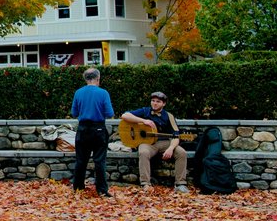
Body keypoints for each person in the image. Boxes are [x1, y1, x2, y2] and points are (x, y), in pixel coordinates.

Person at [121, 91, 189, 193]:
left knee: (181, 153)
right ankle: (145, 184)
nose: (154, 103)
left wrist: (170, 149)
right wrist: (144, 121)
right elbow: (125, 116)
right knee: (143, 152)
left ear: (163, 104)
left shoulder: (169, 116)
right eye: (153, 101)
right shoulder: (145, 111)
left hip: (165, 142)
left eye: (158, 101)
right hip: (147, 143)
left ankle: (180, 184)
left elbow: (176, 136)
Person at [71, 67, 114, 197]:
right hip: (98, 129)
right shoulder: (103, 93)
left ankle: (78, 187)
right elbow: (109, 113)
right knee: (99, 160)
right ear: (98, 78)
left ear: (85, 79)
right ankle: (101, 190)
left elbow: (74, 113)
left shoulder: (78, 92)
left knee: (81, 160)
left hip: (83, 129)